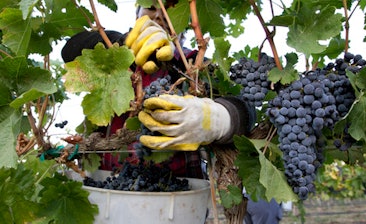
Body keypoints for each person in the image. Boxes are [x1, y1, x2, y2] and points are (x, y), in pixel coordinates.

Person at [61, 1, 281, 222]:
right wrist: (123, 42)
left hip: (179, 201)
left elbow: (245, 107)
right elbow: (70, 50)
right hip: (112, 190)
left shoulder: (194, 65)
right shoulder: (113, 54)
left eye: (169, 8)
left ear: (183, 20)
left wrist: (220, 118)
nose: (159, 15)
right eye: (151, 7)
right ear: (137, 13)